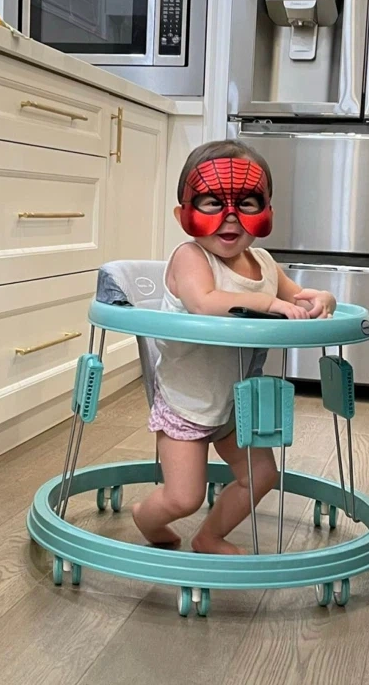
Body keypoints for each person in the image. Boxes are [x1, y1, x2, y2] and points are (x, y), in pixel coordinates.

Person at [132, 139, 336, 555]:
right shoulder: (190, 257)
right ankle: (145, 518)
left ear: (267, 211)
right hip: (186, 403)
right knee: (182, 497)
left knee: (261, 476)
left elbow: (298, 301)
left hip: (234, 404)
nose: (229, 216)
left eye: (246, 203)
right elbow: (204, 303)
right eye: (211, 202)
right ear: (183, 214)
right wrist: (268, 304)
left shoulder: (264, 264)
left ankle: (209, 536)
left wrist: (320, 299)